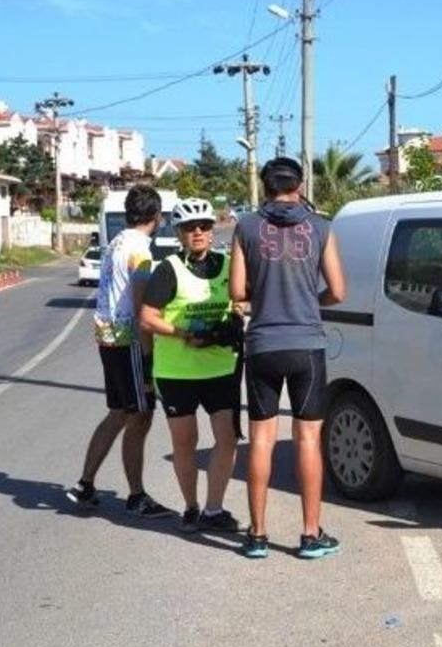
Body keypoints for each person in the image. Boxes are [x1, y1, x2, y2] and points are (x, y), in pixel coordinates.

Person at [230, 157, 346, 559]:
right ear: (300, 184)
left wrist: (264, 297)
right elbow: (339, 291)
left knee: (262, 439)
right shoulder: (321, 227)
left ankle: (258, 536)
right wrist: (310, 303)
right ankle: (311, 535)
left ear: (265, 186)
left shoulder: (245, 226)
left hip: (262, 344)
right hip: (306, 346)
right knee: (308, 439)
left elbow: (238, 290)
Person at [66, 184, 172, 517]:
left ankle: (85, 483)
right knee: (140, 416)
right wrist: (149, 353)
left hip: (108, 338)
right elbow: (142, 306)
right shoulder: (141, 250)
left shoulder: (115, 243)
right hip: (129, 341)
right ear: (156, 217)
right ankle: (137, 495)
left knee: (119, 414)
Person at [139, 198, 242, 534]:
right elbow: (147, 317)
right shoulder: (168, 268)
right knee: (185, 442)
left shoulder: (230, 264)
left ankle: (214, 508)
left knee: (226, 439)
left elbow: (246, 298)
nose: (197, 232)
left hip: (220, 367)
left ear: (213, 230)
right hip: (177, 371)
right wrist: (184, 333)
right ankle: (192, 507)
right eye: (189, 228)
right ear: (179, 233)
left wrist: (239, 315)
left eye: (204, 226)